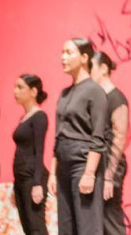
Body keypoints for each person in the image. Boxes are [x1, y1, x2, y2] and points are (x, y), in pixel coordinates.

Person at [47, 38, 108, 235]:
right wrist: (53, 173)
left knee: (87, 226)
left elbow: (98, 137)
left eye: (68, 52)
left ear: (84, 57)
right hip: (63, 164)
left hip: (82, 164)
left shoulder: (95, 91)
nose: (62, 57)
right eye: (62, 52)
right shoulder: (65, 93)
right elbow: (59, 135)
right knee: (66, 226)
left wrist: (89, 173)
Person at [91, 51, 130, 235]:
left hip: (110, 166)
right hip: (97, 163)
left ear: (103, 68)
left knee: (111, 220)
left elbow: (121, 136)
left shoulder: (116, 98)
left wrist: (109, 175)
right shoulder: (97, 97)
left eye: (91, 67)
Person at [12, 74, 49, 234]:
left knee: (36, 227)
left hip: (31, 177)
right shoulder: (24, 118)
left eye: (20, 87)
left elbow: (39, 151)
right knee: (28, 228)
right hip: (21, 178)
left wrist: (37, 184)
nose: (15, 91)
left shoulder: (39, 116)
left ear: (33, 91)